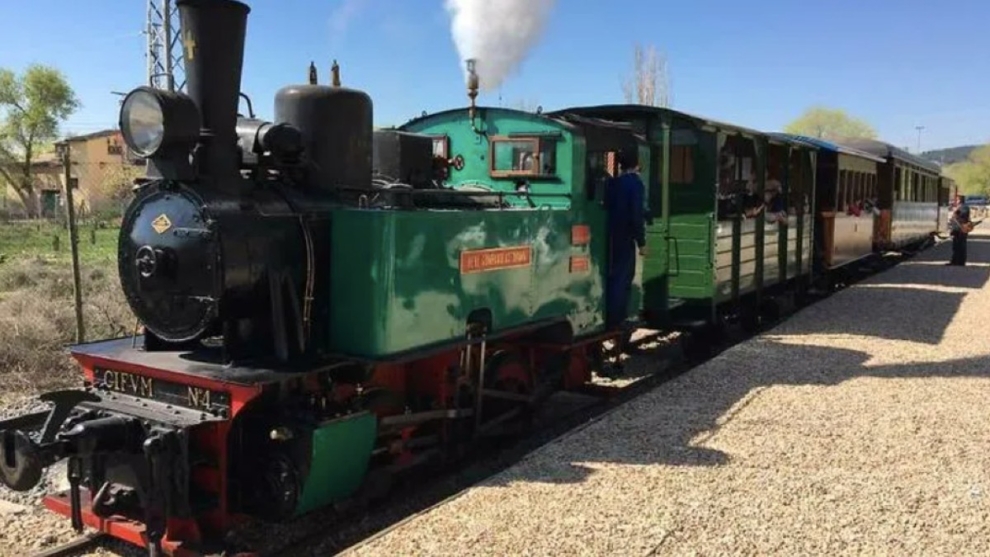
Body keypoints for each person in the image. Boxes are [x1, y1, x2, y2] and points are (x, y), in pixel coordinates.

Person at [604, 150, 647, 331]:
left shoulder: (613, 183)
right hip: (626, 235)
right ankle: (617, 318)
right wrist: (642, 241)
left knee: (611, 274)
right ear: (637, 165)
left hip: (608, 232)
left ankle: (608, 313)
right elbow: (636, 215)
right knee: (623, 277)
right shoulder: (636, 184)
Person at [948, 194, 971, 266]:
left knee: (961, 246)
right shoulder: (960, 207)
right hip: (956, 230)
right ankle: (954, 261)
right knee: (955, 246)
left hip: (961, 229)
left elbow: (962, 214)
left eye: (957, 200)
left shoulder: (964, 207)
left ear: (960, 200)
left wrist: (956, 211)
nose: (956, 201)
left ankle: (960, 262)